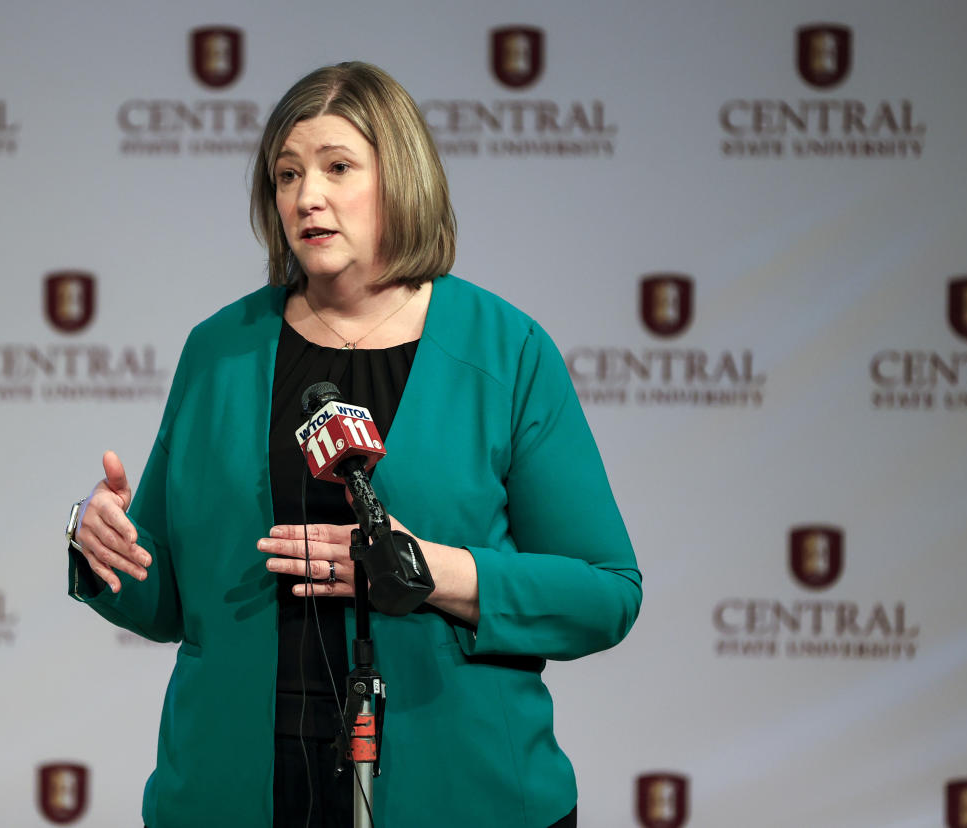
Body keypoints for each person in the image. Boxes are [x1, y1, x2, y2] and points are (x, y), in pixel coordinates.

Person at [65, 61, 641, 828]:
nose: (308, 197)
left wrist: (429, 569)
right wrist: (103, 541)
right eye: (287, 175)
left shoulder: (506, 351)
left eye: (338, 168)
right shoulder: (219, 350)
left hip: (463, 793)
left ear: (399, 177)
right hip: (236, 795)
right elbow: (170, 601)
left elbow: (604, 592)